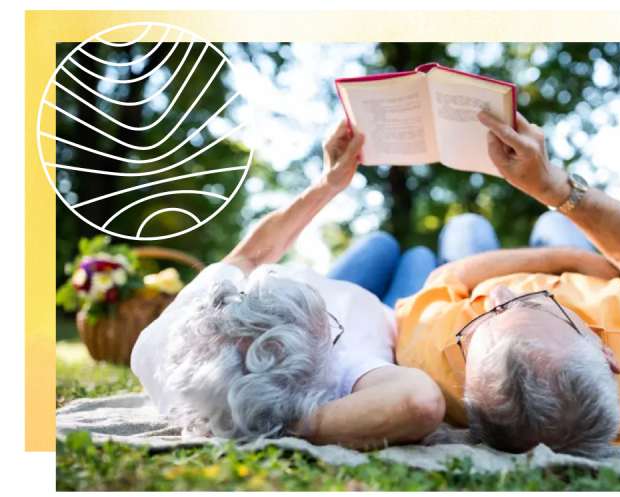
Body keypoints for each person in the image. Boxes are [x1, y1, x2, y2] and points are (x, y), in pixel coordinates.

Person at [394, 110, 620, 457]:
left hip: (477, 273)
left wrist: (559, 260)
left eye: (485, 319)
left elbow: (445, 279)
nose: (500, 292)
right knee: (556, 222)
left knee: (466, 226)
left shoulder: (433, 360)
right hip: (597, 273)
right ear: (607, 354)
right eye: (533, 304)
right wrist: (551, 190)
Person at [131, 121, 445, 450]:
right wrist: (288, 427)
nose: (260, 273)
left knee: (380, 243)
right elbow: (420, 403)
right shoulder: (336, 378)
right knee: (421, 256)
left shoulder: (160, 342)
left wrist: (329, 183)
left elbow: (252, 255)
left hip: (339, 285)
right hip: (391, 315)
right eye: (328, 328)